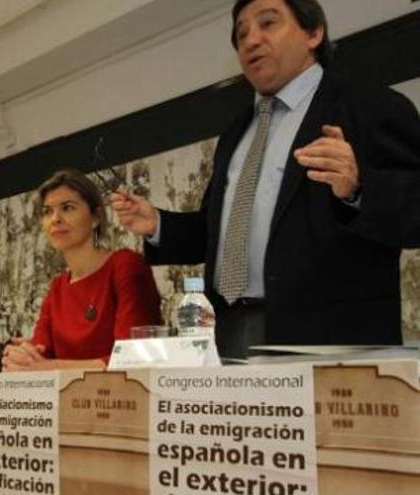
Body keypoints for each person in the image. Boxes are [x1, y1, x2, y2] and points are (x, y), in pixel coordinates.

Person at [110, 0, 420, 358]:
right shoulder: (236, 134)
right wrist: (159, 224)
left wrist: (358, 189)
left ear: (314, 33)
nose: (251, 40)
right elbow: (222, 235)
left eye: (268, 23)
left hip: (330, 340)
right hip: (227, 330)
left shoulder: (369, 106)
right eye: (241, 34)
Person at [3, 170, 162, 371]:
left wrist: (47, 368)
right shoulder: (58, 287)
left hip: (123, 400)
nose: (55, 219)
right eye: (47, 211)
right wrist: (20, 358)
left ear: (95, 217)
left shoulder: (126, 266)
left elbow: (133, 360)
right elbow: (38, 354)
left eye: (67, 208)